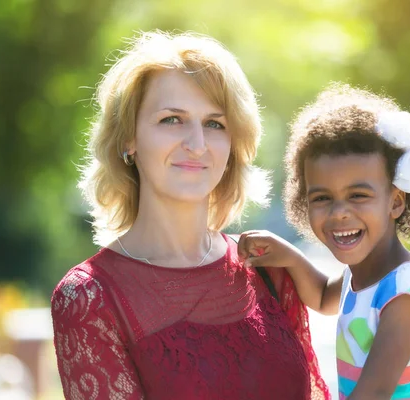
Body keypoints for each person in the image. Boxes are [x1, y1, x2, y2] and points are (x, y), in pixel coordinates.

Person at [50, 30, 330, 400]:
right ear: (128, 139)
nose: (197, 145)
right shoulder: (89, 298)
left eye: (215, 124)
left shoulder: (269, 268)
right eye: (172, 119)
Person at [237, 84, 410, 399]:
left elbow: (374, 393)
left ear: (395, 201)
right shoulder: (363, 274)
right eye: (322, 198)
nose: (339, 213)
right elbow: (323, 296)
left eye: (358, 196)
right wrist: (290, 256)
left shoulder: (406, 295)